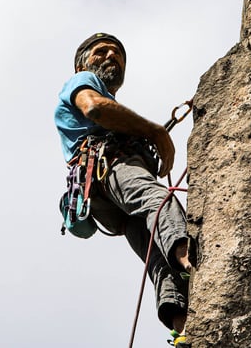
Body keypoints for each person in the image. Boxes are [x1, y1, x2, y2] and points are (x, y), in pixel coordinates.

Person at [54, 32, 192, 345]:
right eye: (101, 51)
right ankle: (192, 260)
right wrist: (154, 131)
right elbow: (94, 109)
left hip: (105, 198)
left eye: (117, 53)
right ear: (82, 65)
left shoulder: (111, 105)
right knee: (157, 200)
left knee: (156, 255)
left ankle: (182, 327)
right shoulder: (82, 82)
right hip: (110, 168)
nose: (111, 56)